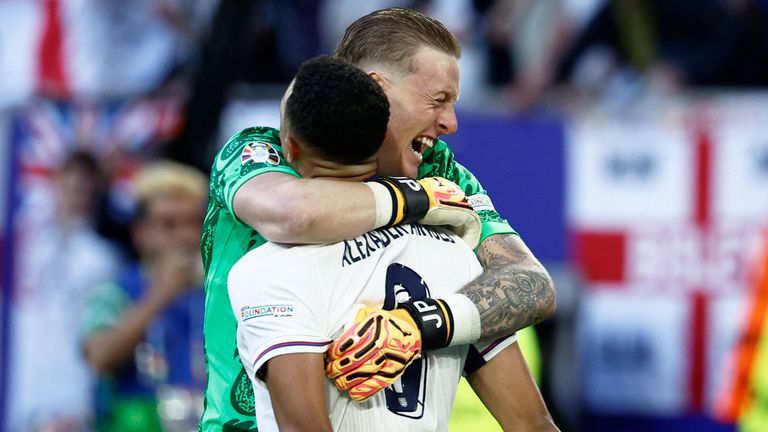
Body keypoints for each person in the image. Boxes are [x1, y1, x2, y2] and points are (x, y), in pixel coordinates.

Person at [199, 7, 555, 431]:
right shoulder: (263, 152)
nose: (451, 122)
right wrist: (416, 199)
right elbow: (294, 213)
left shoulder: (440, 174)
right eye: (437, 100)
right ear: (377, 89)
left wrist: (418, 323)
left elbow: (533, 286)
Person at [83, 161, 208, 432]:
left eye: (192, 223)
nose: (185, 236)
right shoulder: (115, 292)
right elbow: (100, 357)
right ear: (140, 233)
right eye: (168, 224)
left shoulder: (221, 290)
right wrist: (162, 293)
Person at [7, 151, 122, 432]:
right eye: (66, 186)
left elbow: (98, 330)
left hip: (73, 394)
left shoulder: (104, 257)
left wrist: (84, 404)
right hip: (25, 390)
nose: (73, 196)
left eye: (81, 188)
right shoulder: (28, 248)